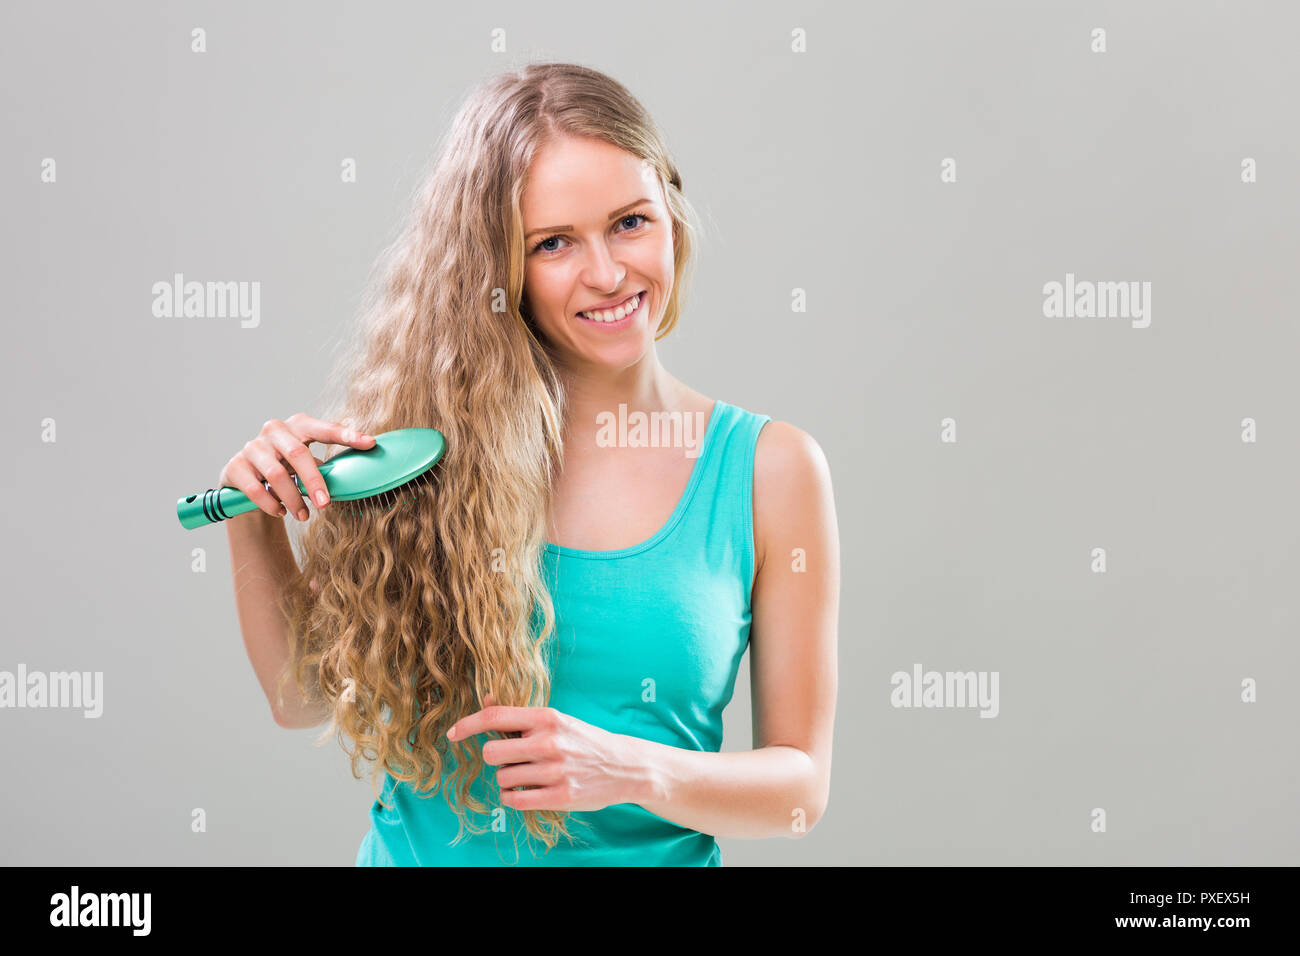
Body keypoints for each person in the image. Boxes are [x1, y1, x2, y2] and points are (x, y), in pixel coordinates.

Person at [219, 62, 839, 866]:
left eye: (630, 222)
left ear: (672, 217)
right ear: (496, 270)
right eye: (554, 243)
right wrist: (253, 520)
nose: (609, 273)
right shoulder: (408, 455)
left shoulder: (771, 470)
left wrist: (632, 769)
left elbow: (799, 790)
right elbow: (299, 700)